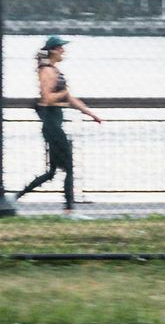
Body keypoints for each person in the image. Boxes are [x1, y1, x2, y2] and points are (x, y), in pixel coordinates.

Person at [15, 35, 102, 213]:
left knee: (52, 172)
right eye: (60, 48)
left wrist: (91, 114)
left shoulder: (55, 70)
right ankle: (69, 209)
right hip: (51, 123)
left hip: (55, 122)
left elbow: (69, 97)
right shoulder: (46, 70)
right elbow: (48, 98)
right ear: (53, 50)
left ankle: (15, 197)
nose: (63, 51)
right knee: (68, 167)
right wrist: (63, 95)